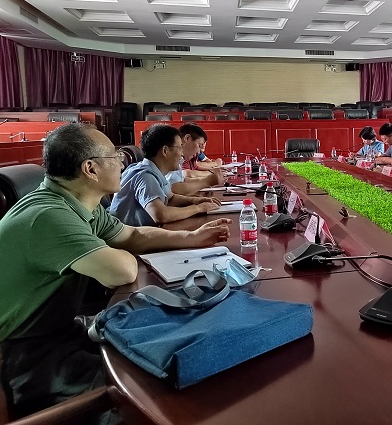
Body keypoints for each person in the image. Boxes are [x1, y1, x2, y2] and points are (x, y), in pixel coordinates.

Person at [0, 123, 231, 420]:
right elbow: (120, 272)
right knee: (155, 391)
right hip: (27, 359)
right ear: (91, 169)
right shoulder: (49, 216)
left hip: (62, 330)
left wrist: (192, 237)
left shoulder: (79, 203)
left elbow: (132, 235)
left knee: (166, 342)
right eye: (114, 157)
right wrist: (113, 251)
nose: (122, 163)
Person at [110, 124, 222, 226]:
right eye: (180, 148)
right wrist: (198, 208)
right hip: (128, 238)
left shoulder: (155, 171)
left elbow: (170, 198)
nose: (182, 154)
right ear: (165, 151)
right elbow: (161, 215)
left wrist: (195, 200)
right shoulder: (145, 176)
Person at [166, 123, 225, 195]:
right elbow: (174, 189)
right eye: (199, 145)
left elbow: (182, 180)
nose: (199, 152)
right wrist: (207, 181)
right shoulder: (171, 156)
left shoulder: (180, 159)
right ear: (187, 138)